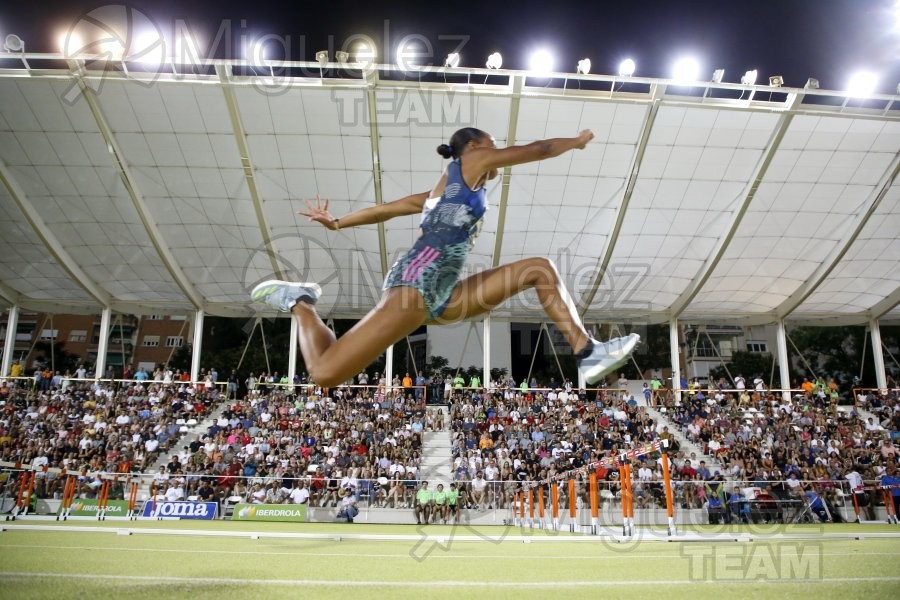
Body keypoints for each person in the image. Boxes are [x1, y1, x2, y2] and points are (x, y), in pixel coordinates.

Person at [251, 128, 639, 388]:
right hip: (415, 282)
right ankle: (300, 301)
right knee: (323, 375)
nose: (494, 152)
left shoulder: (448, 190)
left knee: (540, 270)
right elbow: (537, 150)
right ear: (473, 147)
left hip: (445, 295)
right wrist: (575, 141)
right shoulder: (467, 164)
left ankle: (587, 352)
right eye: (490, 145)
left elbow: (389, 208)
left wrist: (338, 222)